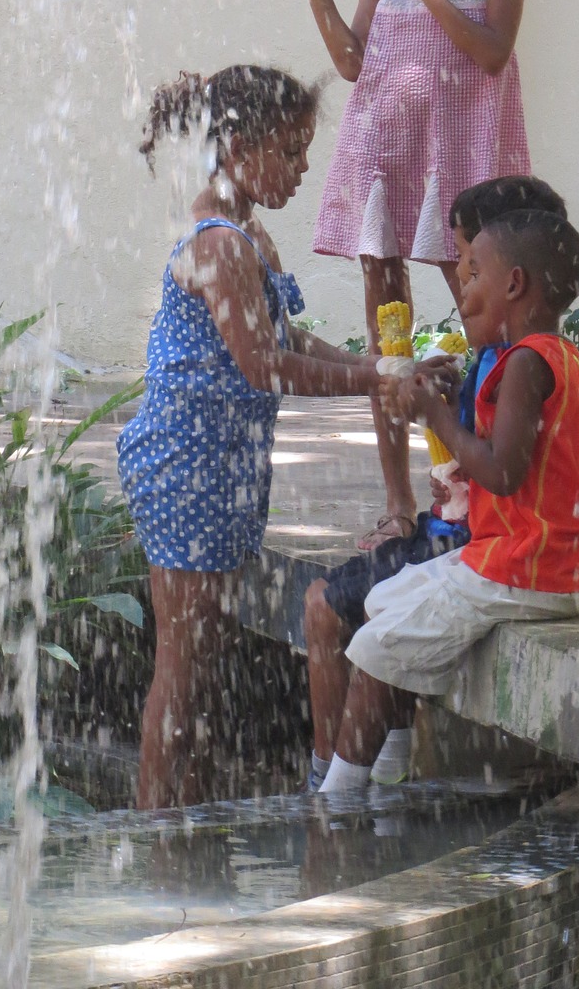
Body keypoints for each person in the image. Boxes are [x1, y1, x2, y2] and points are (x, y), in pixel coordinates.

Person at [265, 0, 530, 550]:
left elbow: (491, 52)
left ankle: (519, 486)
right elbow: (353, 62)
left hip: (464, 168)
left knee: (497, 333)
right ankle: (396, 500)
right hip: (386, 157)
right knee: (393, 340)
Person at [117, 65, 383, 810]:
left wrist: (377, 367)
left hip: (223, 469)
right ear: (237, 145)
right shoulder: (222, 245)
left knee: (206, 658)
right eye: (291, 152)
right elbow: (264, 366)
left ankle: (191, 825)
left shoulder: (250, 234)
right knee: (181, 664)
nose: (303, 169)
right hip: (186, 469)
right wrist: (372, 384)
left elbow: (289, 337)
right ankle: (155, 839)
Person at [316, 209, 579, 795]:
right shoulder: (554, 361)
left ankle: (336, 808)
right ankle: (390, 785)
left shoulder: (528, 363)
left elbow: (500, 472)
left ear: (514, 285)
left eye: (473, 274)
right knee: (382, 601)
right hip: (527, 564)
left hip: (522, 570)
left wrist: (437, 417)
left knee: (371, 645)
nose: (464, 292)